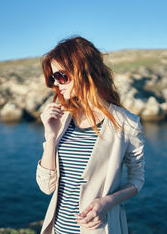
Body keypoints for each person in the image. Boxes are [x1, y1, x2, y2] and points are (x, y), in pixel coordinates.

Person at [36, 36, 145, 234]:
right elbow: (46, 187)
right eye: (53, 78)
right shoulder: (61, 118)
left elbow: (137, 179)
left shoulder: (127, 123)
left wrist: (108, 202)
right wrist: (50, 138)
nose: (56, 84)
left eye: (61, 76)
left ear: (83, 71)